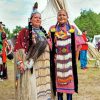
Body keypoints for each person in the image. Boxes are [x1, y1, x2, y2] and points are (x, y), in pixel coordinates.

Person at [14, 2, 52, 100]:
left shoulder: (44, 33)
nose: (38, 19)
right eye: (35, 17)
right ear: (30, 20)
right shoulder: (25, 31)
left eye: (39, 18)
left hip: (44, 66)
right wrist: (20, 62)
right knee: (33, 90)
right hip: (33, 65)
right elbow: (18, 48)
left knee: (44, 87)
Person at [48, 9, 78, 100]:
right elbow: (48, 43)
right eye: (59, 15)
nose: (61, 17)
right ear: (57, 18)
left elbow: (77, 44)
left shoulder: (72, 29)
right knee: (59, 92)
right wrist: (52, 41)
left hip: (69, 63)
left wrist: (75, 59)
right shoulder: (52, 29)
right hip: (58, 63)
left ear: (67, 17)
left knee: (69, 91)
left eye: (64, 15)